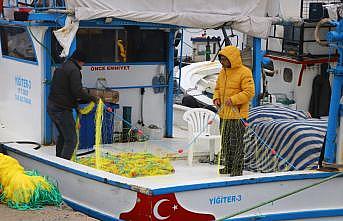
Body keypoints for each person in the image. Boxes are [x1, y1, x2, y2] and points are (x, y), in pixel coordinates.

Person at [213, 46, 255, 176]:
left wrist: (233, 100)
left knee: (236, 143)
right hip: (224, 114)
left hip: (238, 115)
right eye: (221, 59)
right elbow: (217, 89)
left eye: (225, 59)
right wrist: (216, 99)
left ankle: (237, 169)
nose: (222, 62)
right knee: (225, 142)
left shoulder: (245, 72)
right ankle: (228, 166)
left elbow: (249, 92)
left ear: (232, 59)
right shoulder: (222, 72)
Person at [47, 50, 97, 160]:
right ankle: (64, 166)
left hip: (52, 106)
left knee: (63, 137)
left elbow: (67, 91)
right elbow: (77, 91)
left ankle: (58, 161)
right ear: (80, 61)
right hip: (61, 109)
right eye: (84, 63)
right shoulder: (74, 70)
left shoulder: (63, 66)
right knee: (71, 139)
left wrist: (77, 107)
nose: (83, 66)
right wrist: (92, 98)